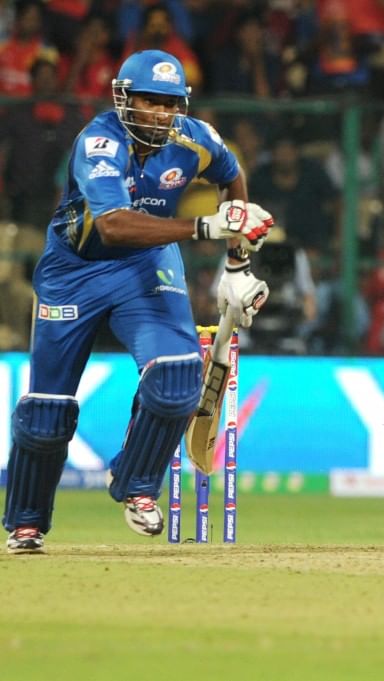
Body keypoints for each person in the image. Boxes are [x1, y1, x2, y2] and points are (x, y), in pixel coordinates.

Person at [4, 50, 275, 554]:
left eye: (170, 104)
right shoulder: (100, 143)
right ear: (124, 98)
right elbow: (113, 225)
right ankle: (26, 523)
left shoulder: (197, 138)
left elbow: (232, 178)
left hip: (145, 264)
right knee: (46, 414)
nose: (161, 113)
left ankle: (137, 485)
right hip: (74, 270)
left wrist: (238, 265)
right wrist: (204, 227)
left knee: (178, 378)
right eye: (150, 101)